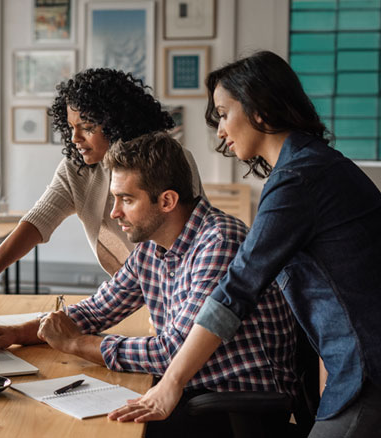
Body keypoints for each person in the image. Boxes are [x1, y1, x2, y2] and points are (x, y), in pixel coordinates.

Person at [111, 51, 381, 437]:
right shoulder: (311, 166)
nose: (220, 130)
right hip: (354, 364)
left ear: (260, 109)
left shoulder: (299, 180)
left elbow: (236, 289)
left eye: (223, 113)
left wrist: (171, 383)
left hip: (368, 365)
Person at [0, 131, 296, 437]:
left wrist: (76, 345)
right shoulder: (154, 244)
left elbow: (170, 352)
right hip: (191, 391)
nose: (115, 213)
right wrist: (21, 332)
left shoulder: (218, 242)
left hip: (232, 405)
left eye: (126, 200)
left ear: (166, 201)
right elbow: (97, 309)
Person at [0, 68, 204, 314]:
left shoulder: (166, 160)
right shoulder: (77, 168)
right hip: (129, 292)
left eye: (87, 127)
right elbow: (39, 219)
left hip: (180, 290)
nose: (74, 138)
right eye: (71, 127)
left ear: (117, 123)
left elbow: (187, 241)